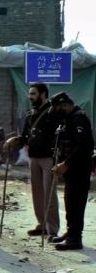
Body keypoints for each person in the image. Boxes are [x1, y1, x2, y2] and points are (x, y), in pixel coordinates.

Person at [3, 82, 61, 240]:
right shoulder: (30, 115)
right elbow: (25, 137)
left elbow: (60, 136)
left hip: (49, 158)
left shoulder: (53, 112)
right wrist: (13, 140)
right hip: (34, 157)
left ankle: (52, 230)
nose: (30, 97)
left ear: (43, 94)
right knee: (37, 193)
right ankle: (42, 225)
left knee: (49, 193)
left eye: (33, 94)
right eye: (30, 94)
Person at [48, 92, 94, 251]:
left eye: (58, 108)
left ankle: (75, 239)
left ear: (65, 105)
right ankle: (70, 233)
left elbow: (83, 146)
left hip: (79, 169)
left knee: (76, 203)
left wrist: (66, 164)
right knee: (69, 201)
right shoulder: (69, 119)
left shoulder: (79, 118)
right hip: (71, 170)